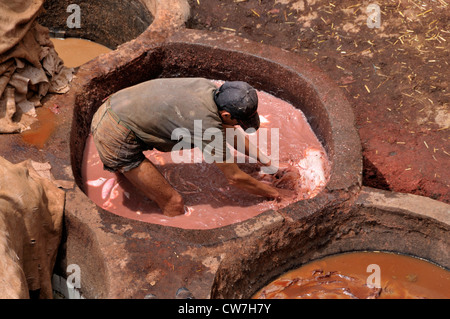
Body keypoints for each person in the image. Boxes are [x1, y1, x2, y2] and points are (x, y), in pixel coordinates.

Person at [91, 77, 280, 217]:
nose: (239, 125)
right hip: (113, 135)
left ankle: (130, 173)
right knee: (174, 203)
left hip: (115, 106)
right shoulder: (206, 124)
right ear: (225, 114)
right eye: (240, 122)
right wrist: (276, 193)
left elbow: (229, 132)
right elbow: (235, 177)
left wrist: (268, 162)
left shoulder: (209, 89)